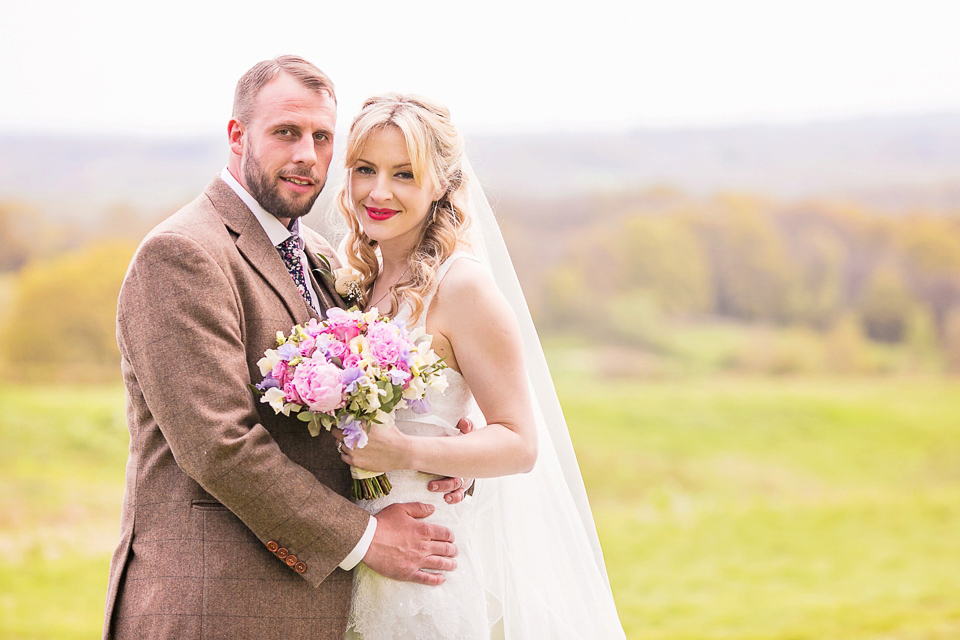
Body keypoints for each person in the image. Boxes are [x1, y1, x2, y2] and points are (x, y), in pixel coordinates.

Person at [102, 57, 470, 640]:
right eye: (285, 133)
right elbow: (220, 446)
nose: (306, 154)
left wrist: (440, 446)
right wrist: (369, 539)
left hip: (313, 604)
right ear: (236, 135)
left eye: (322, 137)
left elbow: (358, 401)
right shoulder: (183, 254)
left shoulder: (319, 254)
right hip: (217, 606)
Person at [332, 94, 625, 639]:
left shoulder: (462, 287)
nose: (377, 191)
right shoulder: (355, 281)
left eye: (404, 173)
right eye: (364, 170)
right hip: (353, 559)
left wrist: (408, 450)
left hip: (421, 567)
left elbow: (519, 442)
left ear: (440, 183)